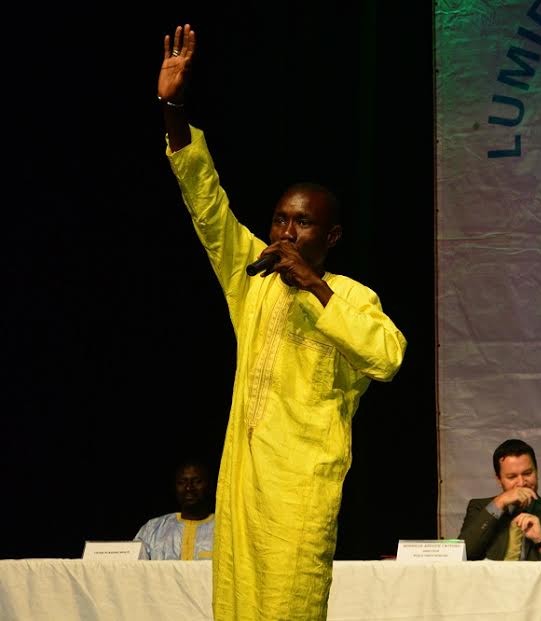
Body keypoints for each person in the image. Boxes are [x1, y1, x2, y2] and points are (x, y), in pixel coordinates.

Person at [157, 24, 407, 621]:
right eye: (278, 221)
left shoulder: (349, 295)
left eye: (301, 224)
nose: (284, 233)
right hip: (241, 481)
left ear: (332, 236)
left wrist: (314, 286)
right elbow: (207, 200)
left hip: (301, 488)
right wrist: (172, 107)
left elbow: (388, 356)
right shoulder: (253, 278)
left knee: (290, 606)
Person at [458, 439, 541, 560]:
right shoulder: (480, 508)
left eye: (527, 473)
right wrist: (499, 502)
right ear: (499, 479)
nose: (521, 483)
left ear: (537, 472)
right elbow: (463, 555)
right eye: (511, 477)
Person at [134, 459, 215, 560]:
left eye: (197, 481)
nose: (189, 488)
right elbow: (133, 571)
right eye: (182, 482)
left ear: (210, 486)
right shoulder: (152, 529)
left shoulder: (225, 528)